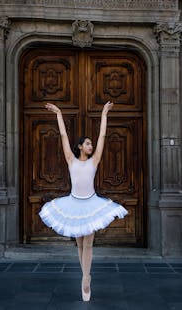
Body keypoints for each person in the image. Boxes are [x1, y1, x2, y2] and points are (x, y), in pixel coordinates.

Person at [39, 101, 128, 302]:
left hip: (91, 204)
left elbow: (103, 136)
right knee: (79, 244)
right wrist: (59, 113)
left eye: (91, 143)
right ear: (80, 146)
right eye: (87, 143)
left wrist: (105, 113)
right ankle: (84, 275)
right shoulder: (71, 160)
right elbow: (63, 136)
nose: (91, 145)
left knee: (88, 244)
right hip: (73, 204)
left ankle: (86, 279)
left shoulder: (94, 161)